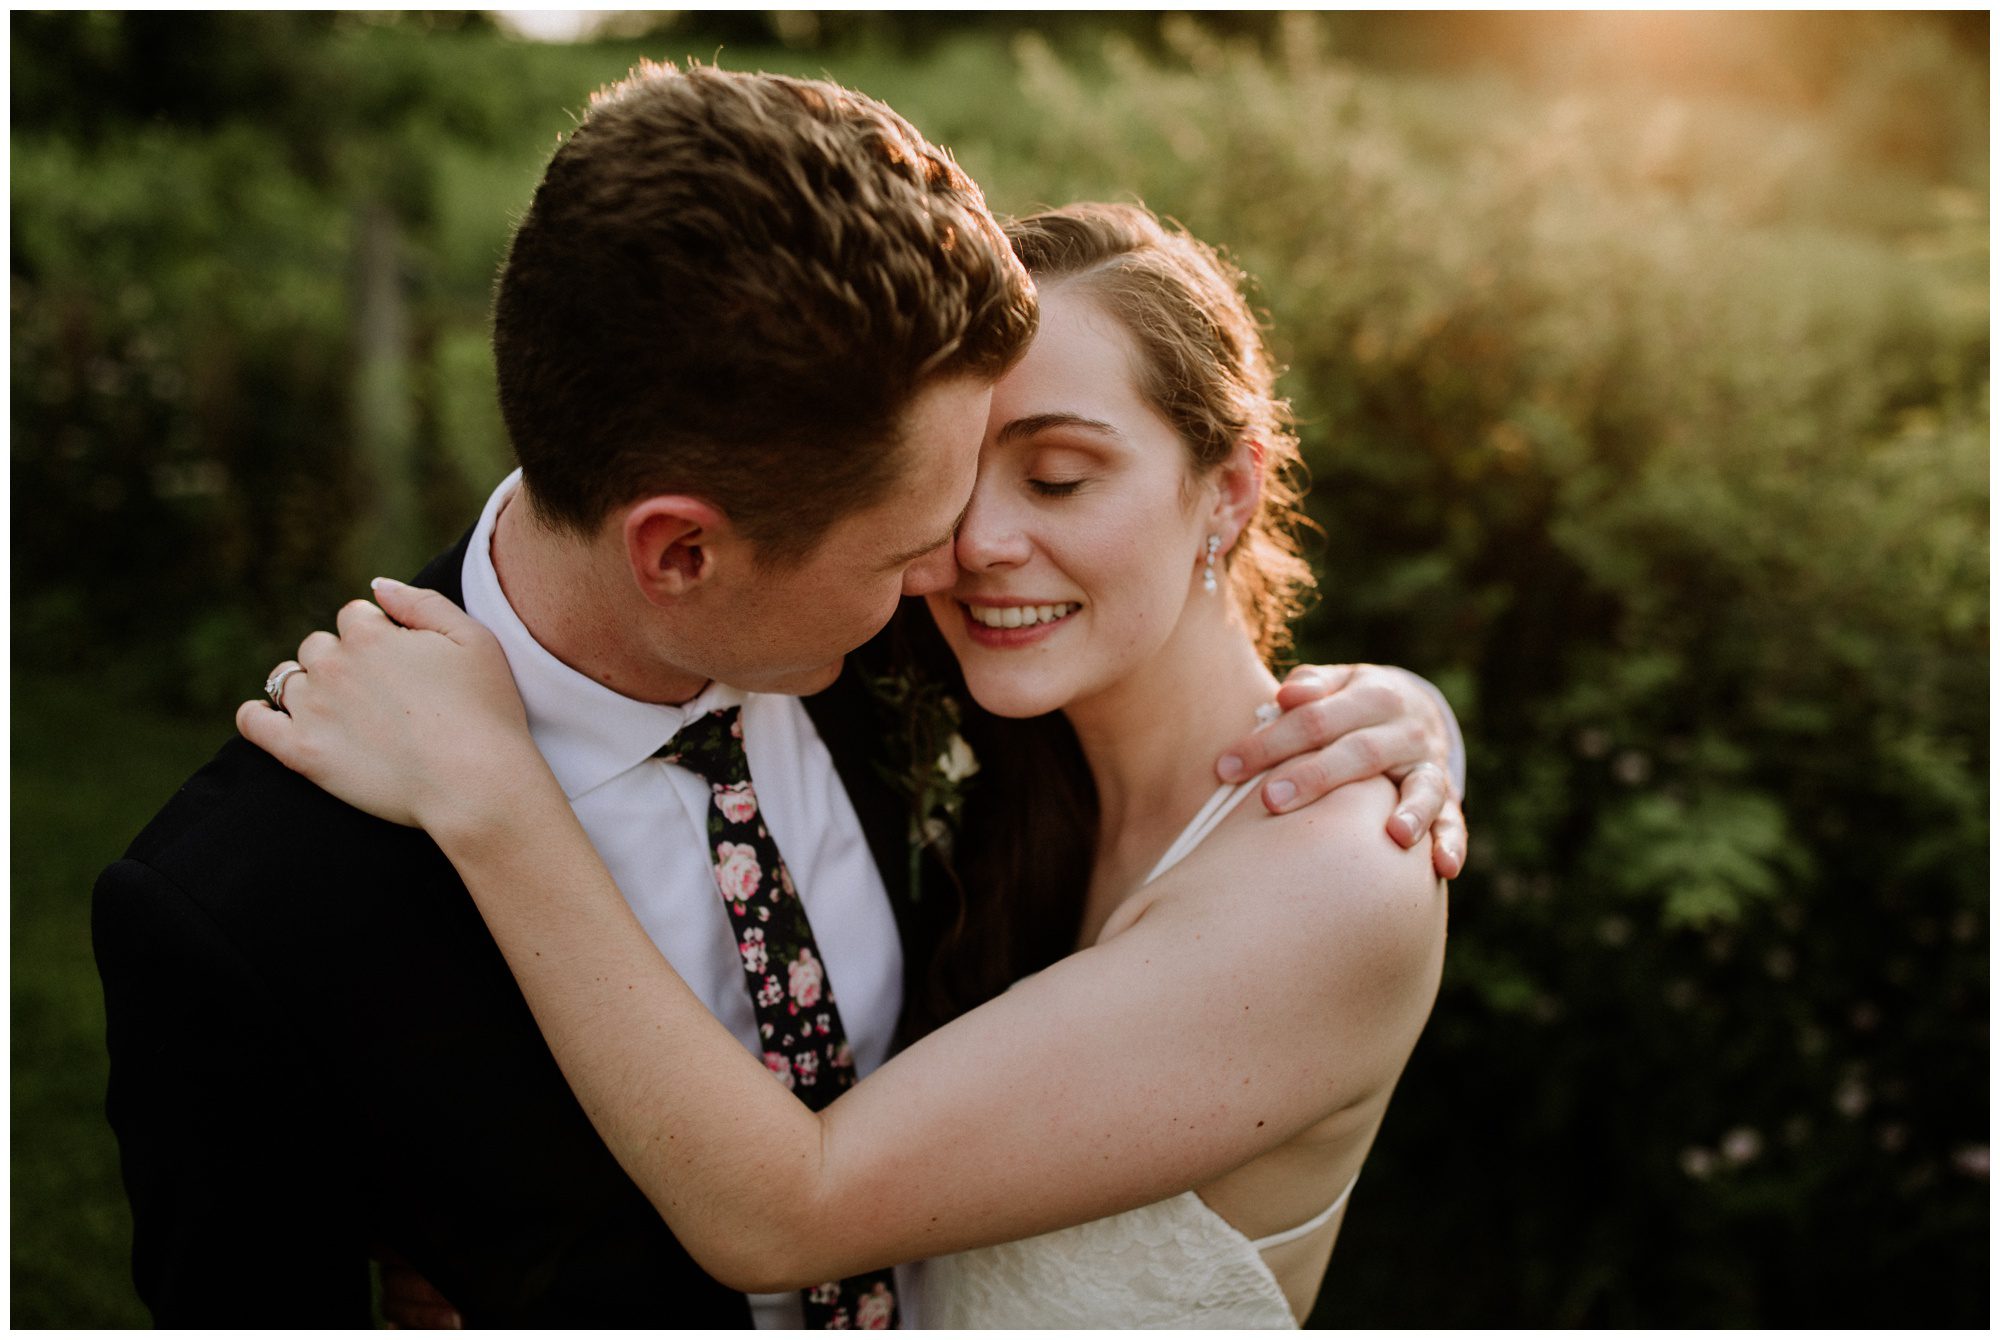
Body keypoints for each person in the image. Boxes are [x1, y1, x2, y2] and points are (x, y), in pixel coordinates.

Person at [94, 62, 1463, 1327]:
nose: (962, 554)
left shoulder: (906, 648)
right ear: (681, 551)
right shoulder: (246, 906)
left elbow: (794, 1201)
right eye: (944, 503)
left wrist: (1416, 716)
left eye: (1050, 477)